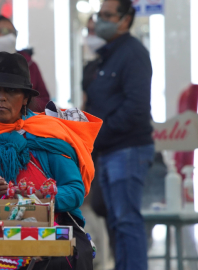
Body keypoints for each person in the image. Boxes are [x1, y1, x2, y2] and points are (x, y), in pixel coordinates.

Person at [0, 52, 102, 269]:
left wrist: (43, 198)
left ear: (25, 98)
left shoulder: (47, 136)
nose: (1, 97)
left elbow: (75, 190)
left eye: (11, 91)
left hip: (47, 247)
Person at [83, 1, 154, 270]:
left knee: (127, 221)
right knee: (116, 222)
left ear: (125, 20)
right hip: (109, 150)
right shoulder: (108, 54)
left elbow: (135, 108)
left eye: (106, 16)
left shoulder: (133, 54)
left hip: (127, 149)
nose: (100, 20)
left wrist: (100, 133)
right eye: (98, 15)